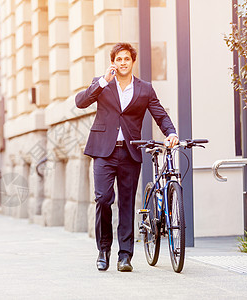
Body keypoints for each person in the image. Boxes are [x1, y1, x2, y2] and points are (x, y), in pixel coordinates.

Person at [75, 43, 178, 272]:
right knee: (103, 198)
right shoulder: (101, 84)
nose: (123, 62)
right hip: (103, 151)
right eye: (118, 59)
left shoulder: (145, 89)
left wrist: (171, 132)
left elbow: (159, 114)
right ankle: (103, 250)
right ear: (113, 62)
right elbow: (80, 102)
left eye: (126, 59)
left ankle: (125, 256)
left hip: (130, 151)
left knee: (127, 203)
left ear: (133, 61)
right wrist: (103, 81)